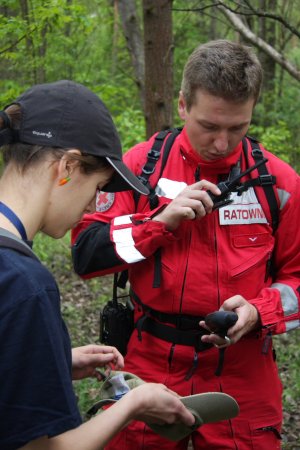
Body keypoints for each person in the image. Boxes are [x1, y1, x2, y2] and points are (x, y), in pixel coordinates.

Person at [71, 39, 300, 450]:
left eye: (238, 127)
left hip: (244, 374)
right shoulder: (138, 168)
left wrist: (257, 312)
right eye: (209, 126)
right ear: (182, 105)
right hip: (149, 360)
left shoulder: (280, 185)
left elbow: (297, 280)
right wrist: (157, 223)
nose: (221, 144)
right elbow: (87, 253)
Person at [0, 80, 199, 450]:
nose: (92, 208)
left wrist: (52, 360)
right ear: (68, 166)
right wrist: (135, 403)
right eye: (97, 189)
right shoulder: (25, 285)